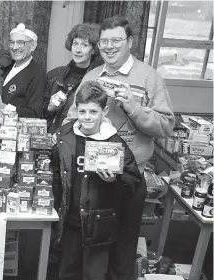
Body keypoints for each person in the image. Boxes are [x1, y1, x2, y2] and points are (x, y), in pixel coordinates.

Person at [62, 16, 175, 280]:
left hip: (128, 181)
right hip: (89, 181)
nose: (109, 47)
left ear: (130, 42)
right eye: (104, 41)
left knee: (121, 255)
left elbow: (166, 127)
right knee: (84, 253)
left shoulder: (149, 77)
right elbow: (70, 119)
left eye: (116, 40)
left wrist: (133, 106)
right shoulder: (92, 76)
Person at [52, 81, 143, 280]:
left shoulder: (115, 142)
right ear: (75, 109)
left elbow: (134, 181)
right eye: (82, 111)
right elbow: (54, 171)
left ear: (105, 111)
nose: (87, 117)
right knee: (67, 272)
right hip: (70, 222)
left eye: (93, 112)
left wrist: (115, 181)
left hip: (100, 227)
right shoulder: (64, 135)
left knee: (95, 274)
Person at [0, 23, 46, 143]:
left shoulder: (37, 74)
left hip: (11, 141)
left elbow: (34, 115)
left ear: (33, 46)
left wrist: (2, 107)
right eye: (12, 42)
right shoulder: (6, 66)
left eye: (21, 43)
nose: (15, 47)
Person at [44, 23, 101, 133]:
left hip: (77, 140)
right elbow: (39, 113)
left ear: (93, 50)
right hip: (51, 137)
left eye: (84, 45)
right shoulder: (54, 75)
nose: (78, 50)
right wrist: (50, 108)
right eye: (75, 44)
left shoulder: (97, 79)